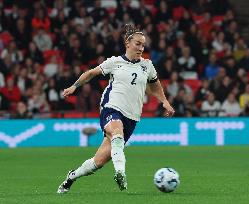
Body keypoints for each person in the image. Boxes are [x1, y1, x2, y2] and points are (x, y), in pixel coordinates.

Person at [57, 24, 175, 193]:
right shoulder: (114, 62)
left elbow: (155, 85)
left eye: (143, 45)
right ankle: (120, 173)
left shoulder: (147, 66)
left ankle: (72, 176)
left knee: (97, 163)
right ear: (128, 43)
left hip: (132, 117)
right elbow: (91, 73)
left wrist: (165, 101)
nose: (141, 48)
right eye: (137, 44)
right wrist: (75, 86)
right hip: (111, 108)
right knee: (117, 133)